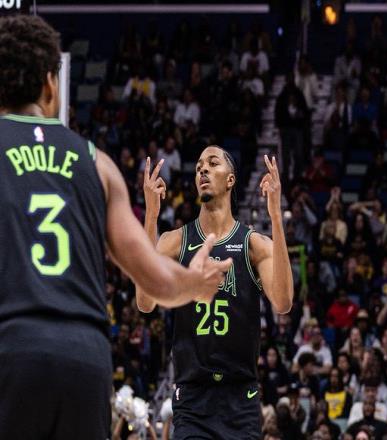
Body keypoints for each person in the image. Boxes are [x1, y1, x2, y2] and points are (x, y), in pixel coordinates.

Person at [0, 15, 232, 440]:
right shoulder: (98, 164)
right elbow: (154, 278)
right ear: (51, 85)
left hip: (12, 349)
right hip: (83, 360)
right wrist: (195, 283)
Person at [138, 149, 294, 439]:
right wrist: (151, 215)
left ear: (230, 180)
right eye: (198, 166)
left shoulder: (253, 244)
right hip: (193, 397)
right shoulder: (176, 241)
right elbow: (145, 302)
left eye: (212, 164)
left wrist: (275, 216)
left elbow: (283, 302)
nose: (203, 170)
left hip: (240, 398)